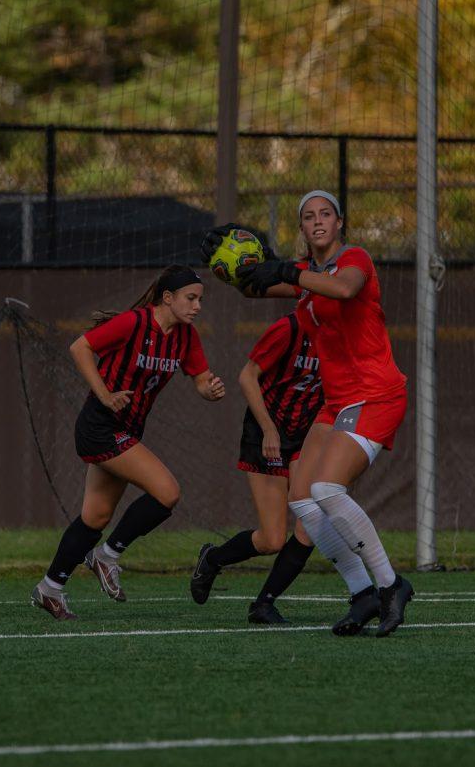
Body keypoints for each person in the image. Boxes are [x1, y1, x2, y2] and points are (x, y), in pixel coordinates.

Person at [202, 192, 415, 637]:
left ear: (339, 223)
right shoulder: (307, 284)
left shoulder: (354, 260)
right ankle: (363, 595)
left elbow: (343, 288)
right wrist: (239, 261)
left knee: (326, 488)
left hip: (375, 395)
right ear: (302, 229)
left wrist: (287, 269)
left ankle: (392, 585)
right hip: (337, 403)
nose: (317, 221)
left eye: (325, 214)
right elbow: (255, 284)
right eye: (308, 217)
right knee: (302, 496)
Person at [31, 265, 226, 620]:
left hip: (129, 429)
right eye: (191, 298)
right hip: (100, 425)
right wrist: (105, 395)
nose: (197, 306)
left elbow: (199, 378)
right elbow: (80, 347)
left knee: (95, 516)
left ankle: (50, 588)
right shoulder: (135, 323)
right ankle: (107, 555)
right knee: (167, 492)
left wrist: (209, 390)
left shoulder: (185, 336)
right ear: (167, 298)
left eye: (200, 299)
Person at [189, 311, 325, 624]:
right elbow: (247, 376)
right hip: (268, 434)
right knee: (272, 540)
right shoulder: (288, 328)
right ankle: (213, 558)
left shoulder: (340, 332)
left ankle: (264, 604)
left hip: (306, 436)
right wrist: (268, 429)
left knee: (311, 524)